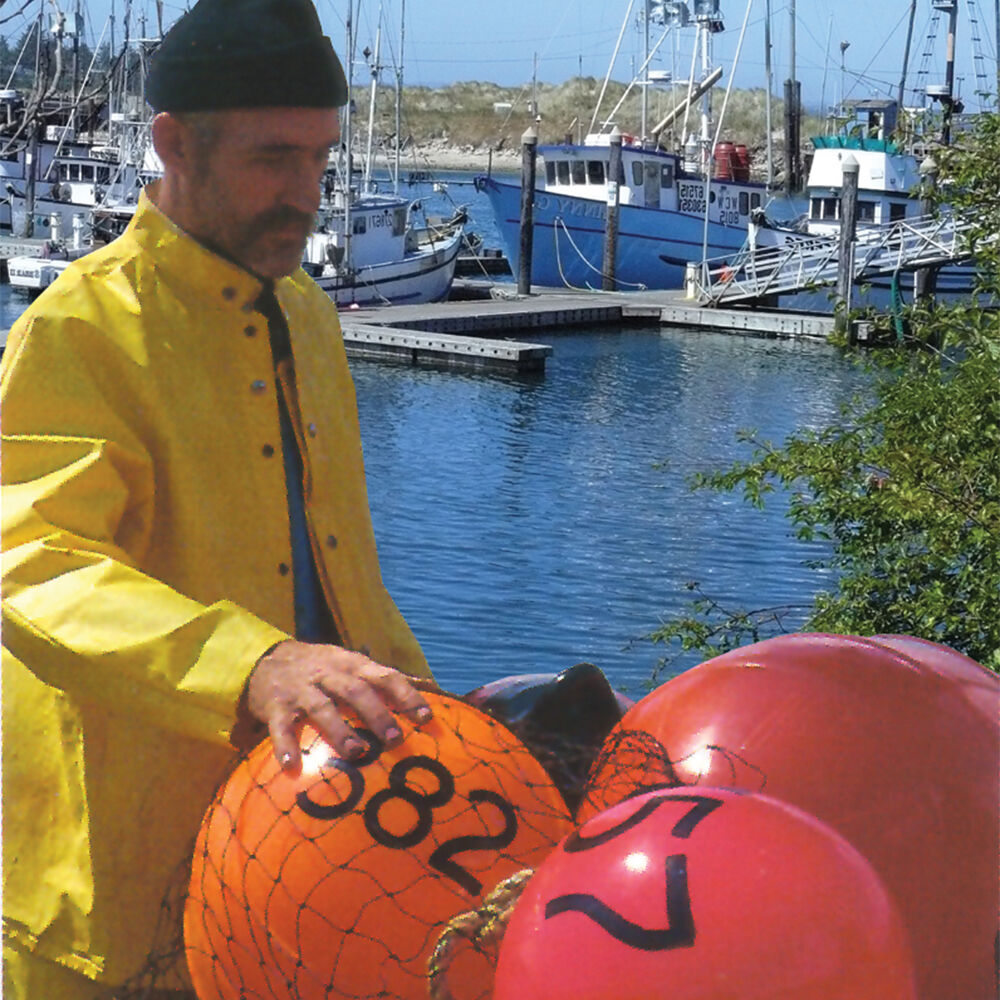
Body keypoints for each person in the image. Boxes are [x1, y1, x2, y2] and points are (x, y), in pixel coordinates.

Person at [1, 1, 436, 996]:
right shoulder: (81, 330)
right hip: (108, 901)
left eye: (321, 160)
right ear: (171, 144)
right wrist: (250, 666)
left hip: (306, 872)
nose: (305, 196)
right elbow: (29, 564)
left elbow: (342, 577)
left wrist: (425, 704)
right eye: (272, 158)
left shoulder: (310, 316)